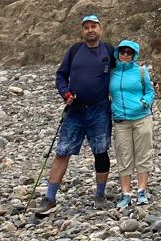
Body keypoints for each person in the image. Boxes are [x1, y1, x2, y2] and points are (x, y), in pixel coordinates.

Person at [33, 14, 115, 216]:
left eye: (94, 26)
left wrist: (146, 82)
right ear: (82, 31)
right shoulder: (75, 51)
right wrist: (65, 94)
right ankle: (50, 198)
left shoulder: (110, 51)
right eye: (86, 27)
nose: (90, 30)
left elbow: (126, 70)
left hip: (100, 108)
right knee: (62, 152)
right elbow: (61, 75)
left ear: (100, 29)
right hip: (75, 110)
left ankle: (100, 196)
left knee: (101, 152)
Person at [110, 39, 157, 209]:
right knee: (124, 156)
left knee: (143, 154)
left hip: (141, 118)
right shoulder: (111, 72)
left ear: (134, 55)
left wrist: (145, 101)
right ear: (117, 53)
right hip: (121, 121)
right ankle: (125, 193)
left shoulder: (142, 72)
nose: (125, 55)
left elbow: (150, 92)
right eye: (122, 51)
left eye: (129, 52)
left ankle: (142, 191)